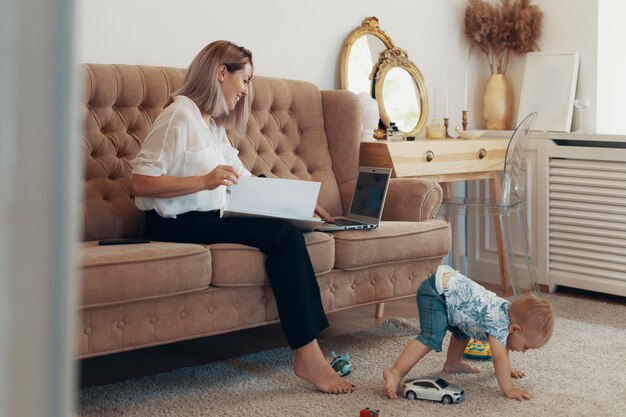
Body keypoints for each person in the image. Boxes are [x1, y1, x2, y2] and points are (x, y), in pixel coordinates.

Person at [130, 40, 353, 394]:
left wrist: (298, 206)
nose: (246, 90)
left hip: (207, 218)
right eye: (244, 80)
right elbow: (141, 182)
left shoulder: (212, 126)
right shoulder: (179, 115)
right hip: (173, 224)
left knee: (291, 230)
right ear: (221, 72)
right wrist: (202, 180)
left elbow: (246, 180)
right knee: (281, 236)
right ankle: (308, 356)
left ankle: (312, 349)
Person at [383, 265, 554, 401]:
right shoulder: (498, 323)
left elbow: (504, 348)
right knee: (432, 336)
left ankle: (453, 363)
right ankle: (395, 371)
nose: (523, 351)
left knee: (464, 330)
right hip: (436, 293)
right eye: (526, 346)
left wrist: (507, 369)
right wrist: (509, 389)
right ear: (515, 329)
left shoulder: (507, 316)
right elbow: (499, 357)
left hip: (453, 296)